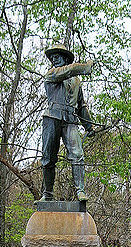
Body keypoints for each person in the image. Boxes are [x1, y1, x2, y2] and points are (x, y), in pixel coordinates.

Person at [39, 43, 95, 202]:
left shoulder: (76, 81)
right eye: (52, 57)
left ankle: (80, 191)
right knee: (48, 157)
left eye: (57, 56)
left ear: (65, 58)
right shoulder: (52, 74)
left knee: (77, 154)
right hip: (52, 118)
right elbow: (67, 71)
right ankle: (47, 194)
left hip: (70, 120)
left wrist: (88, 126)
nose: (54, 59)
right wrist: (84, 67)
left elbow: (81, 105)